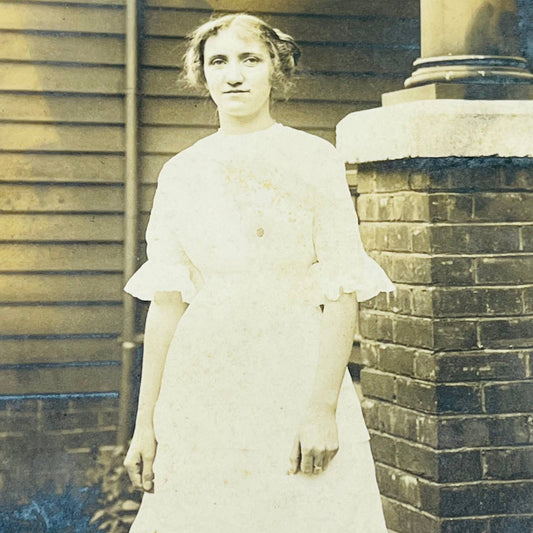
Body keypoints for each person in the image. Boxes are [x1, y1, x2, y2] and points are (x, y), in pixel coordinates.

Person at [123, 13, 395, 533]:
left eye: (250, 59)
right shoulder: (181, 172)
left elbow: (342, 294)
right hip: (202, 380)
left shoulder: (314, 159)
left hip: (292, 370)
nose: (234, 75)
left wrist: (322, 410)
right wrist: (146, 424)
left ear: (277, 69)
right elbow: (167, 305)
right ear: (201, 76)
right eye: (218, 61)